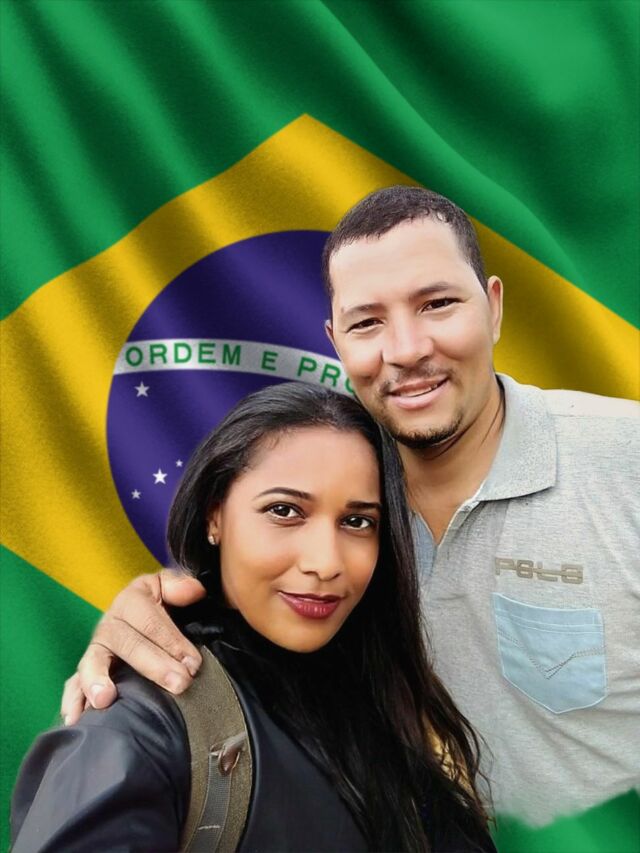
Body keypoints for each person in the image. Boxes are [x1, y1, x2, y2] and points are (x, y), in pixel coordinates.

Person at [60, 186, 639, 827]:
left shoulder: (626, 459)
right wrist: (142, 633)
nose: (407, 348)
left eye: (438, 304)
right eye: (368, 323)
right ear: (336, 342)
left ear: (494, 307)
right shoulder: (337, 513)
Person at [12, 383, 496, 853]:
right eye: (284, 511)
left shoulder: (397, 704)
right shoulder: (143, 730)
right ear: (214, 516)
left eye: (357, 521)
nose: (325, 562)